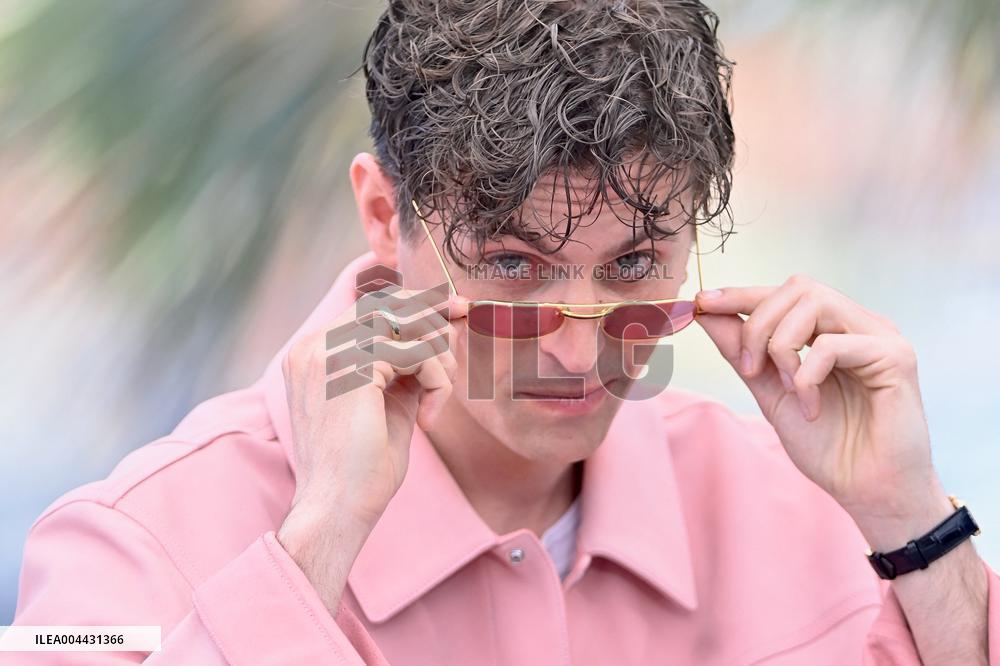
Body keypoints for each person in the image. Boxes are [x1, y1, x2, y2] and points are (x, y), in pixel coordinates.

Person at [10, 1, 998, 664]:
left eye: (634, 263)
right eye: (513, 266)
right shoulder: (127, 547)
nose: (576, 352)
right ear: (383, 219)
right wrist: (315, 548)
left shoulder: (820, 512)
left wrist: (910, 522)